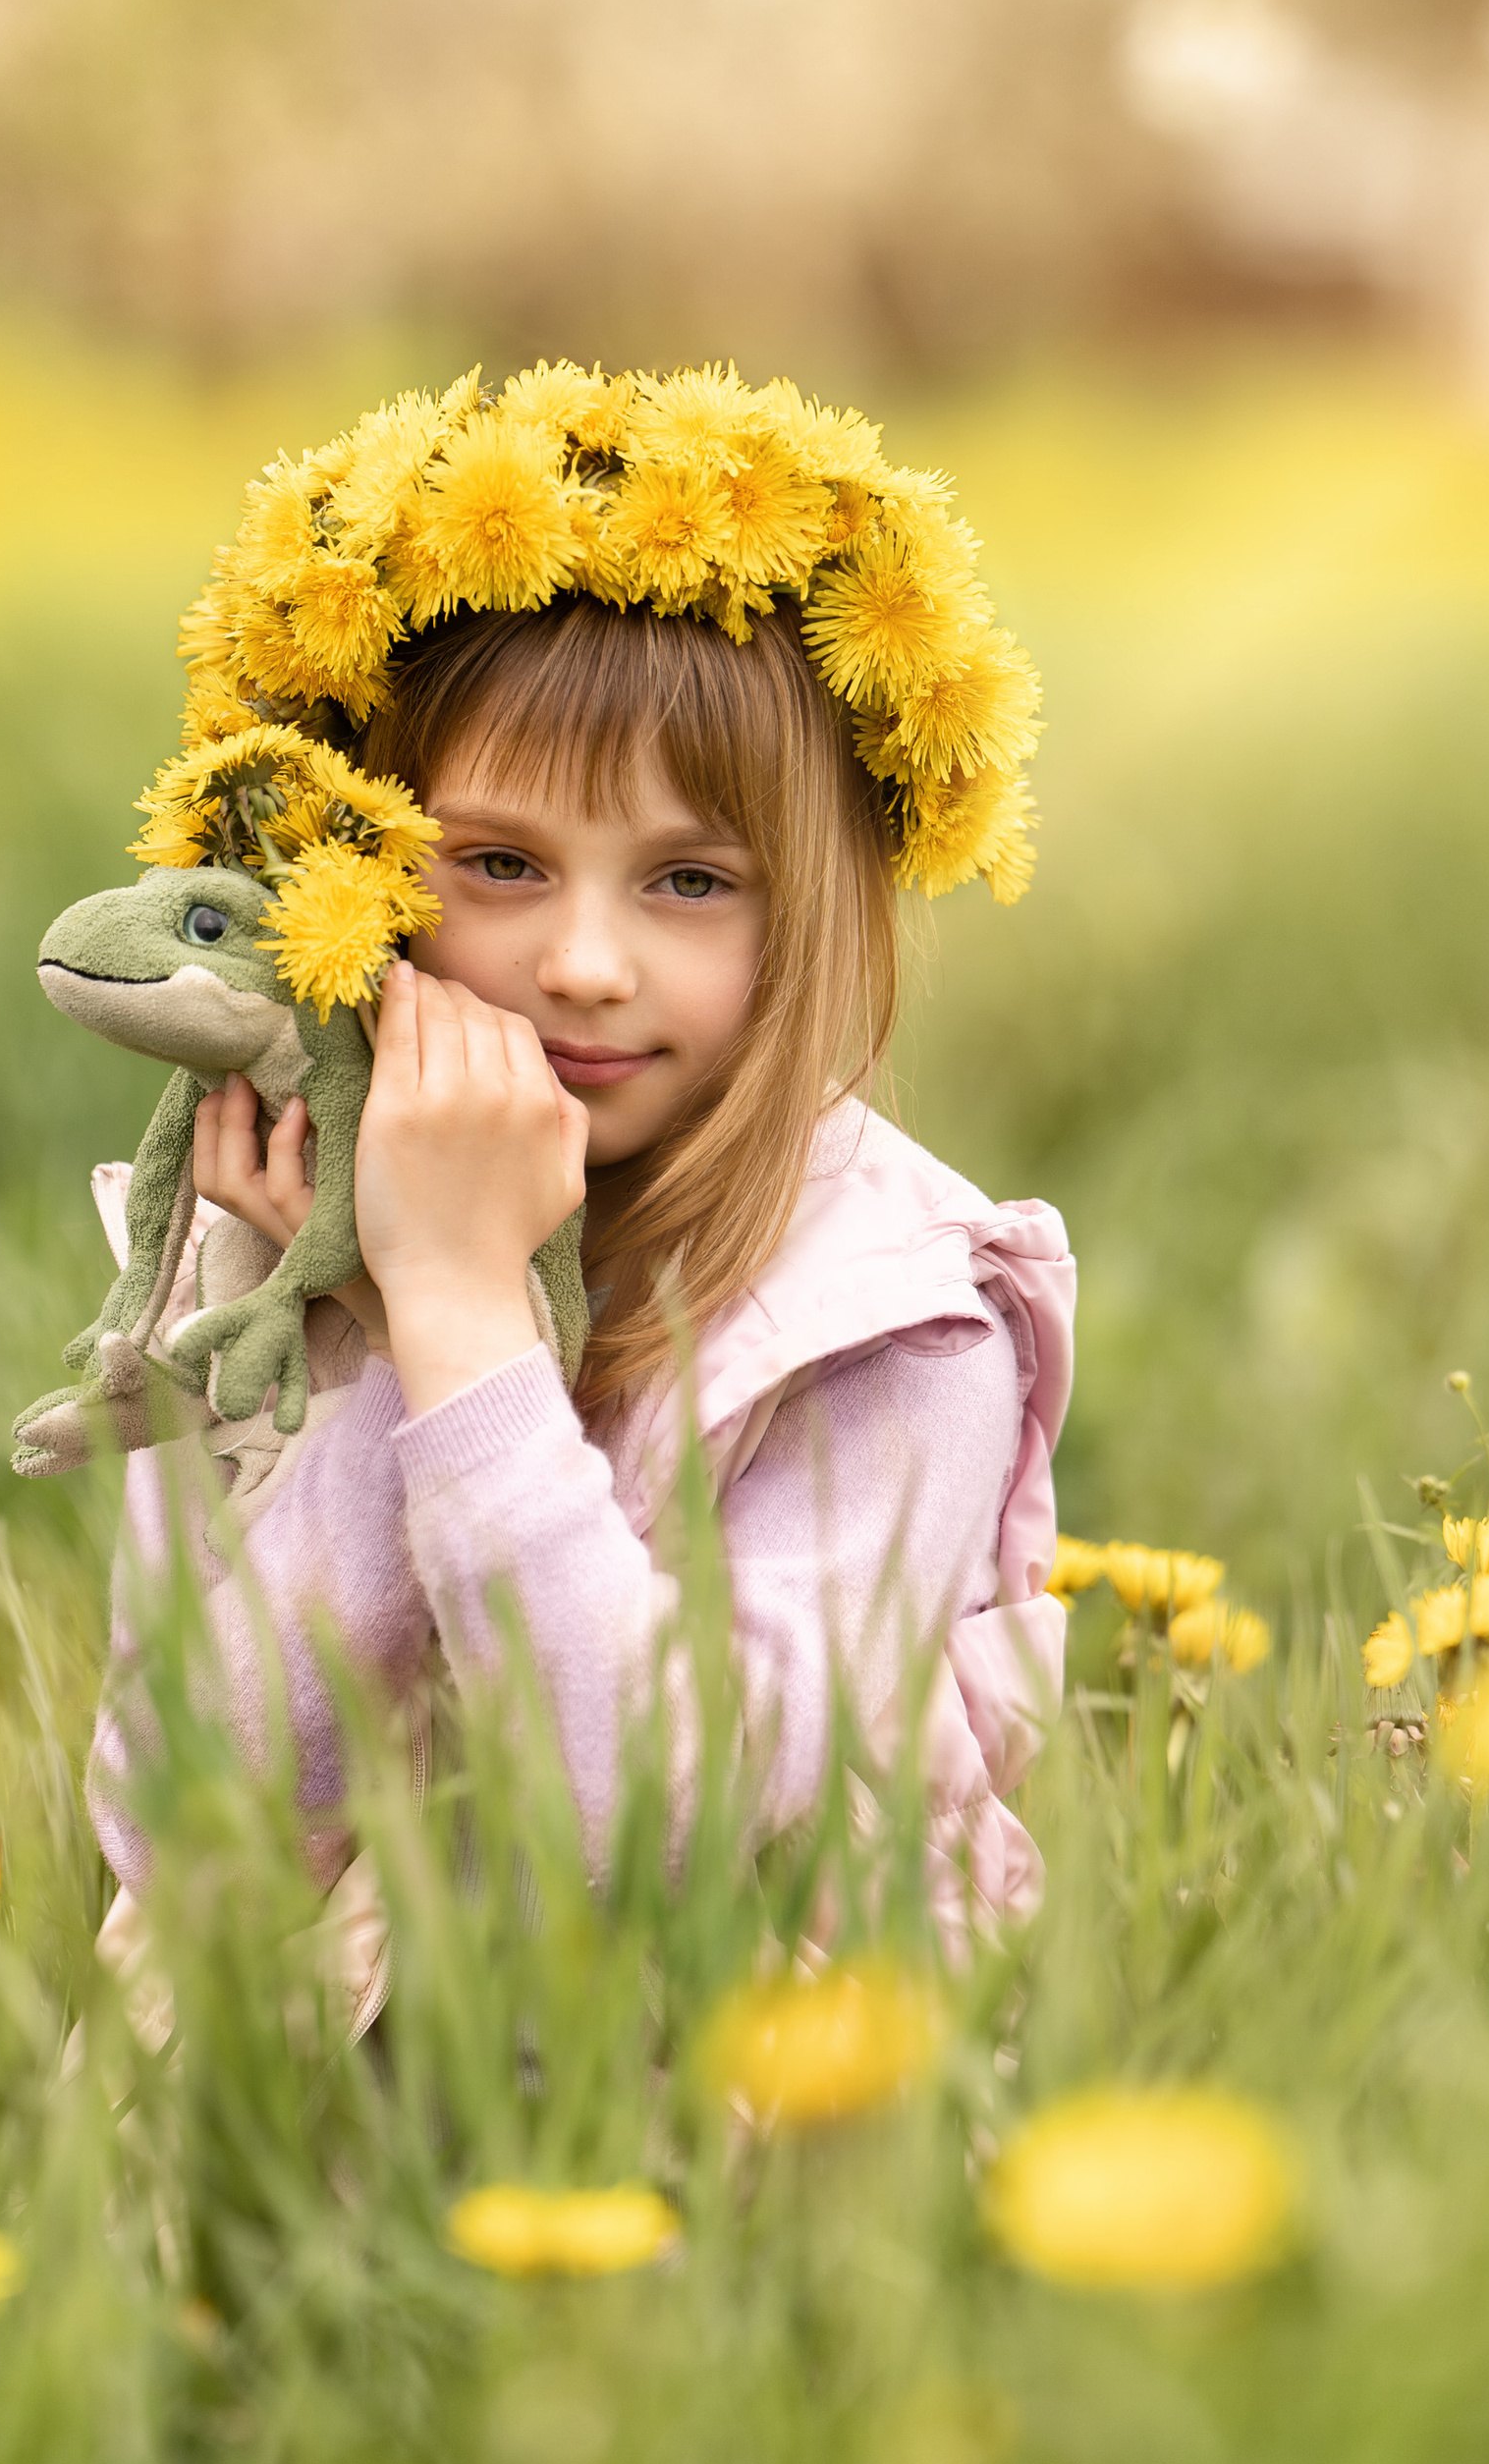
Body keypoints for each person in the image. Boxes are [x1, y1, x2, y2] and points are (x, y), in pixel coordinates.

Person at [83, 363, 1075, 1998]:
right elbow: (191, 1821)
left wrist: (462, 1322)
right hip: (310, 2130)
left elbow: (670, 1826)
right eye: (497, 865)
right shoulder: (253, 1231)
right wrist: (350, 1317)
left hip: (740, 2122)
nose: (587, 965)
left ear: (817, 909)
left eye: (691, 880)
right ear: (345, 862)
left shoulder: (897, 1323)